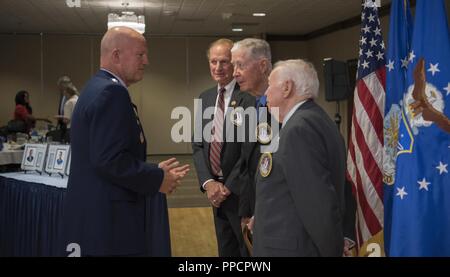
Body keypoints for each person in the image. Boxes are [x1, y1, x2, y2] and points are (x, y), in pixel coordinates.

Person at [62, 26, 189, 257]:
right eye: (140, 54)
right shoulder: (112, 93)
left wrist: (150, 169)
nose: (146, 61)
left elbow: (106, 153)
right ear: (116, 55)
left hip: (92, 212)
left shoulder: (94, 87)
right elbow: (109, 160)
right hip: (109, 220)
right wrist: (157, 178)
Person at [252, 59, 346, 256]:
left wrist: (332, 251)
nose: (266, 93)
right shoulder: (314, 119)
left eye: (270, 85)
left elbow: (317, 202)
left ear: (287, 88)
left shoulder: (299, 129)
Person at [192, 38, 254, 257]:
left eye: (224, 62)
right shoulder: (205, 97)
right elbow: (198, 145)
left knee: (246, 251)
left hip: (240, 193)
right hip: (215, 195)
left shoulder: (249, 96)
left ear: (235, 63)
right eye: (213, 61)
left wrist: (227, 187)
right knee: (225, 250)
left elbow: (250, 150)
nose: (218, 67)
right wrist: (209, 184)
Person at [230, 38, 273, 236]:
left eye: (241, 65)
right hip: (254, 212)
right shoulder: (248, 104)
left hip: (277, 216)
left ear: (263, 65)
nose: (234, 73)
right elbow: (248, 165)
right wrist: (246, 211)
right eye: (234, 66)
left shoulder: (286, 108)